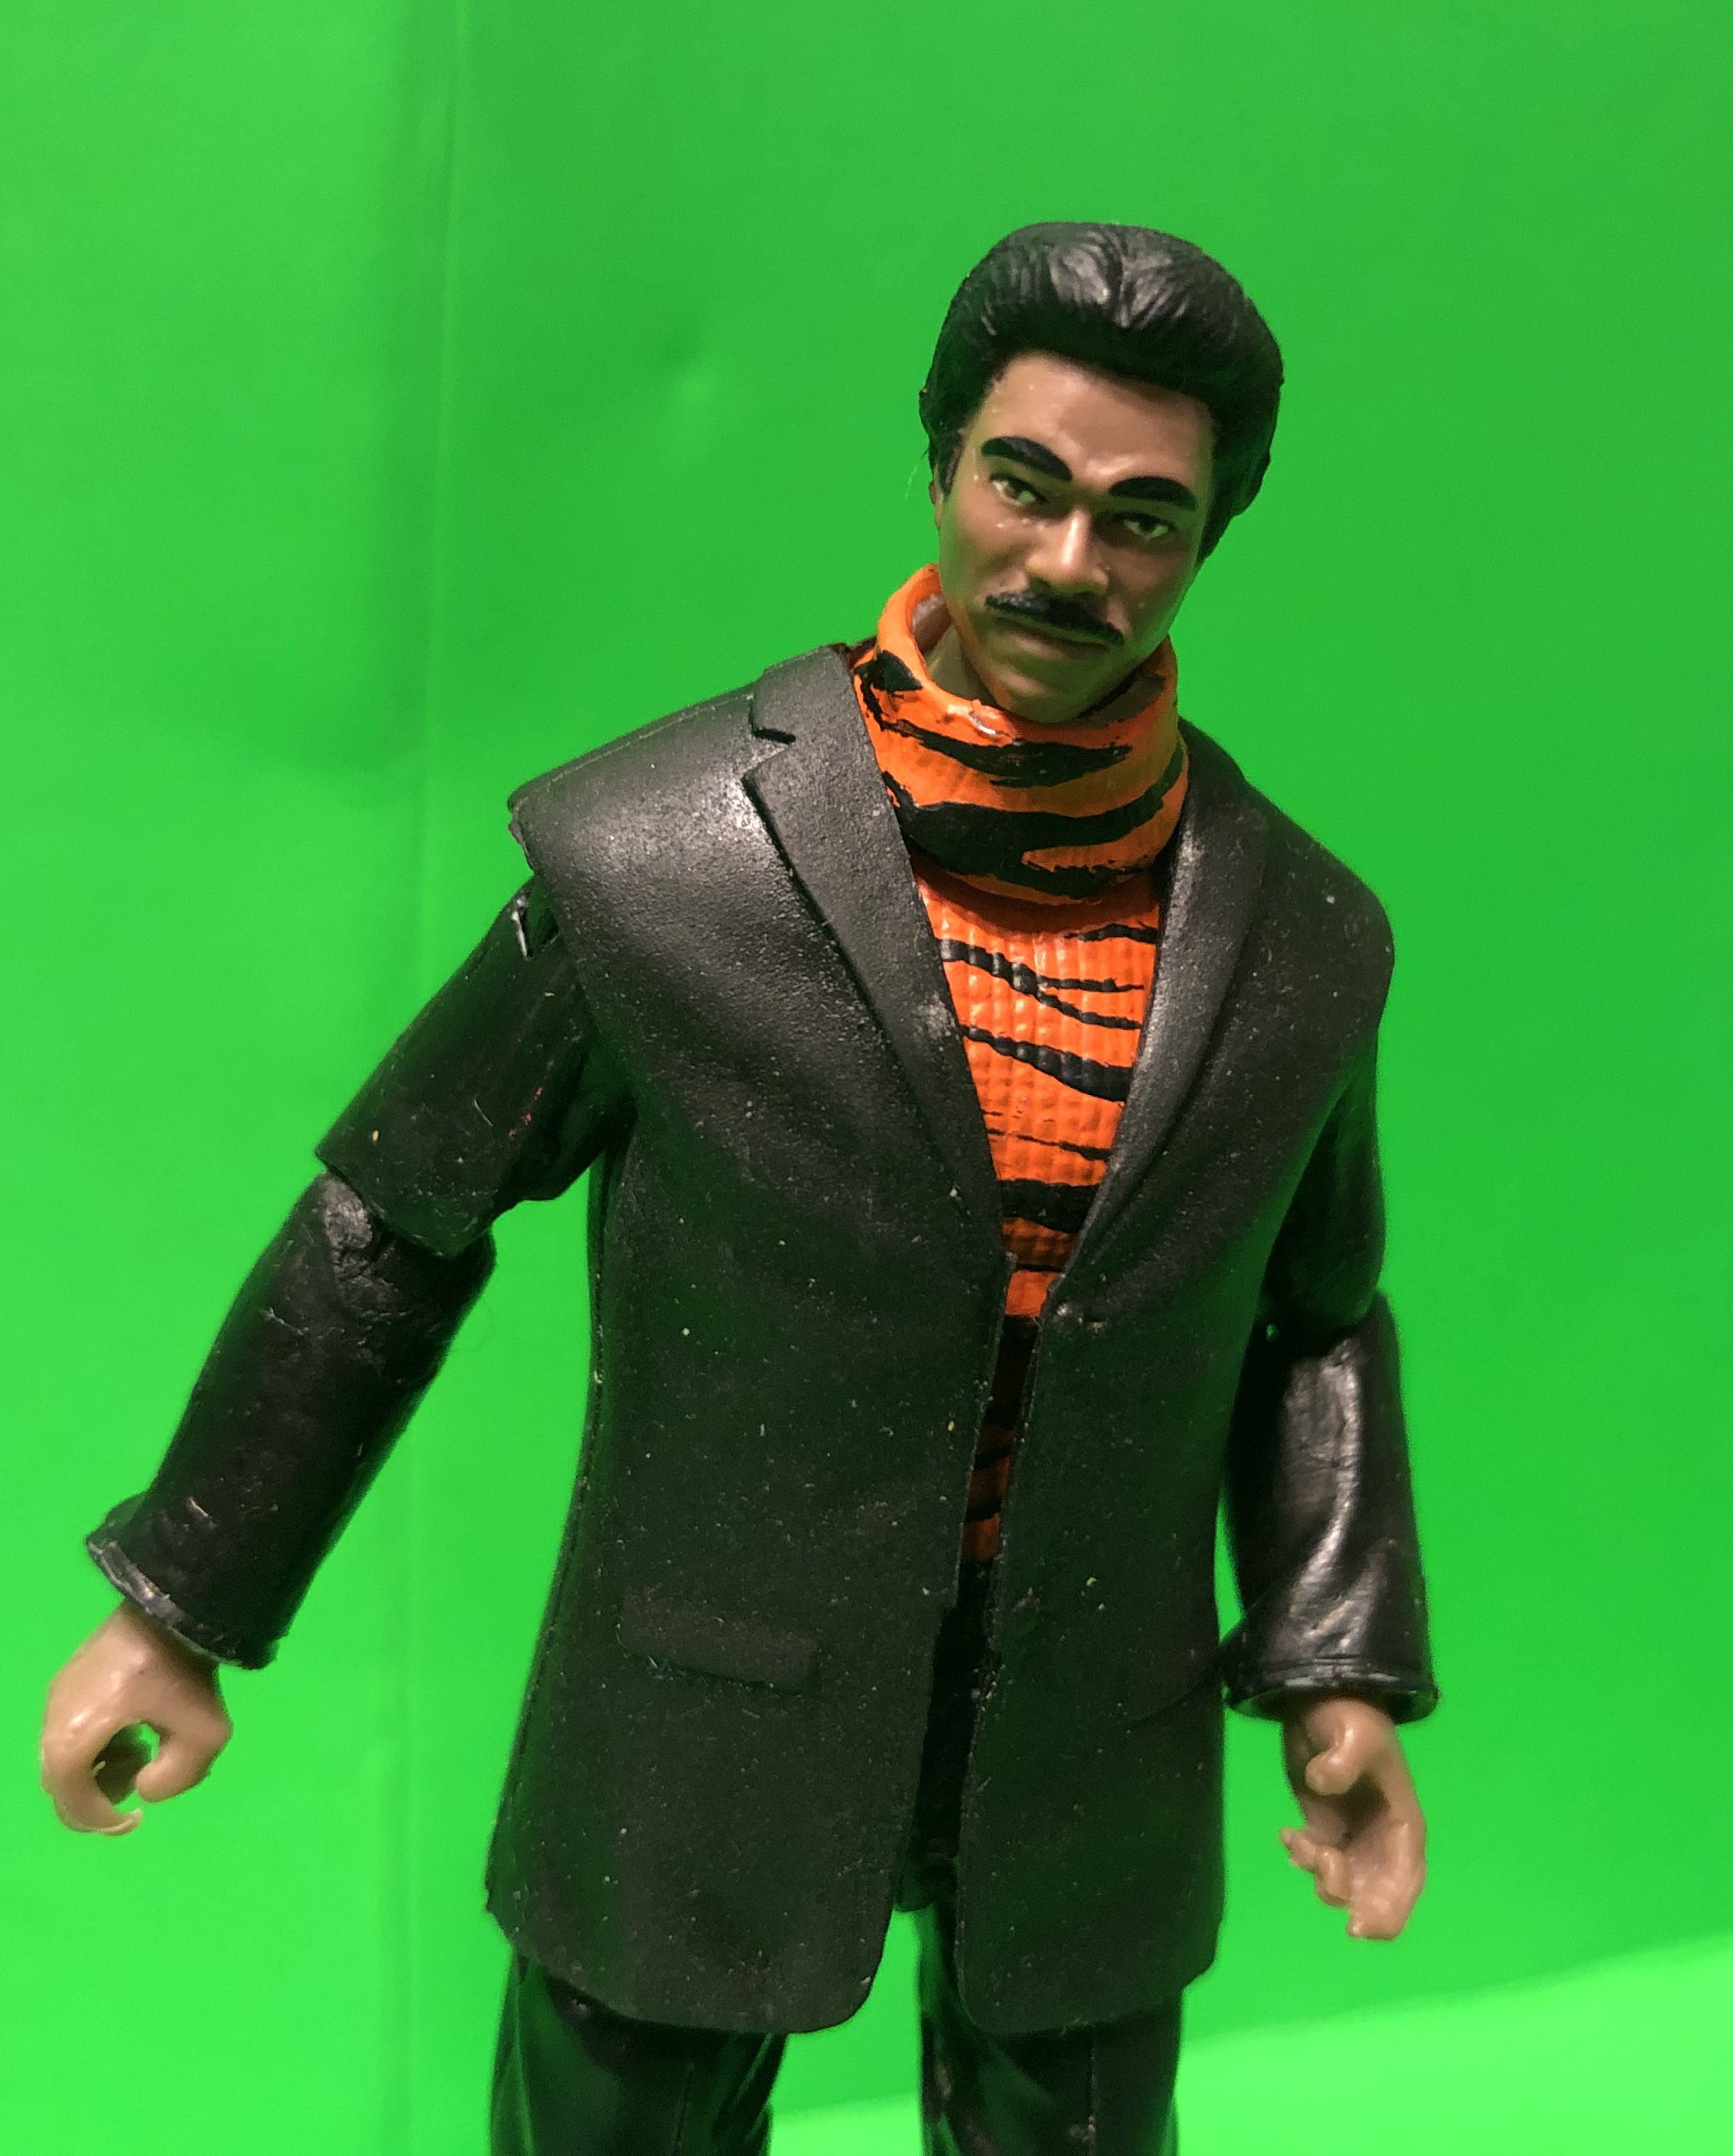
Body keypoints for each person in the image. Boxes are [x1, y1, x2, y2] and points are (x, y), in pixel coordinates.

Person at [42, 223, 1435, 2156]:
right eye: (1023, 484)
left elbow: (1315, 1321)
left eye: (1142, 518)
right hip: (698, 1710)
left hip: (1083, 1735)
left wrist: (1332, 1665)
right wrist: (182, 1604)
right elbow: (391, 1223)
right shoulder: (661, 859)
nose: (1066, 562)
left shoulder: (1297, 937)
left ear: (1207, 541)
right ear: (940, 467)